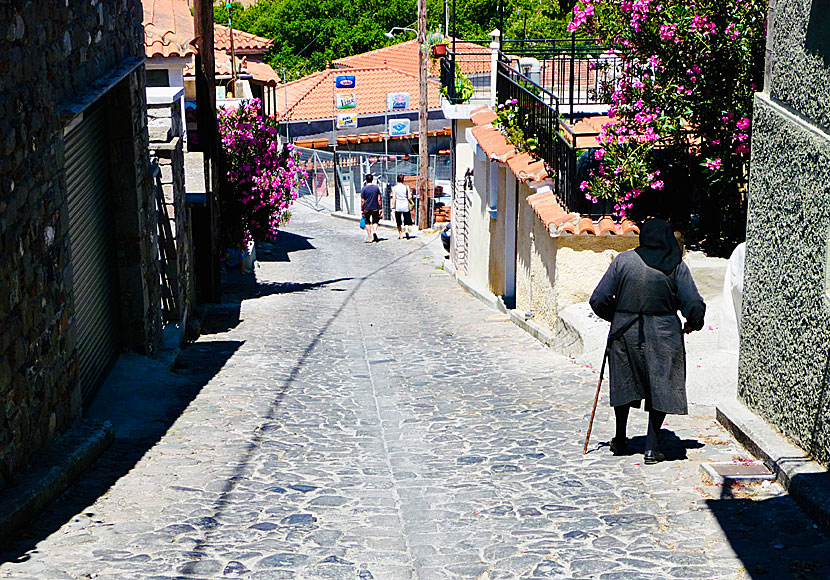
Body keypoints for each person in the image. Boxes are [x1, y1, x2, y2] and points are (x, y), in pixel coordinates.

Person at [589, 218, 706, 464]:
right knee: (660, 384)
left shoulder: (623, 261)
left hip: (624, 333)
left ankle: (620, 439)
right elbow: (693, 303)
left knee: (625, 381)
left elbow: (598, 299)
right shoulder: (676, 266)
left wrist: (618, 317)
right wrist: (693, 322)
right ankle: (652, 448)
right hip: (664, 333)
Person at [360, 174, 382, 243]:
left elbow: (362, 200)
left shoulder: (364, 189)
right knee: (375, 221)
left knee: (367, 222)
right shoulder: (376, 188)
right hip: (375, 207)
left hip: (367, 208)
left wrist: (362, 209)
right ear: (372, 179)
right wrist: (380, 208)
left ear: (366, 180)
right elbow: (379, 199)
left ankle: (370, 238)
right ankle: (375, 231)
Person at [392, 175, 414, 239]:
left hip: (398, 206)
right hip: (405, 205)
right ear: (403, 180)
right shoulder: (406, 187)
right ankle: (406, 231)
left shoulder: (394, 188)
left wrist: (393, 207)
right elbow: (409, 197)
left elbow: (394, 198)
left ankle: (401, 235)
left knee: (398, 221)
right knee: (407, 219)